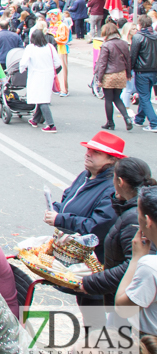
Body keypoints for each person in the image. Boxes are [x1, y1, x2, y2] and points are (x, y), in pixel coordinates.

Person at [80, 158, 156, 320]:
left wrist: (91, 283)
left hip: (133, 316)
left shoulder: (134, 218)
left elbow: (124, 308)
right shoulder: (132, 209)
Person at [47, 131, 121, 267]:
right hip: (69, 251)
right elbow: (68, 197)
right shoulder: (85, 175)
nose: (88, 154)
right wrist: (56, 208)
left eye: (96, 152)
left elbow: (97, 227)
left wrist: (61, 219)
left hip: (91, 259)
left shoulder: (111, 188)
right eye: (88, 149)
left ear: (112, 159)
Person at [116, 185, 157, 336]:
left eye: (137, 213)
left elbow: (123, 309)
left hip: (149, 345)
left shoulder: (150, 266)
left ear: (148, 221)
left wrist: (136, 259)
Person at [21, 29, 61, 132]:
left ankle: (51, 125)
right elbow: (57, 63)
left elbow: (23, 63)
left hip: (36, 75)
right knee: (42, 97)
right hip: (48, 75)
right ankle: (35, 120)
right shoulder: (50, 47)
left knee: (42, 100)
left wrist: (22, 69)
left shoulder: (30, 48)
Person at [97, 23, 134, 131]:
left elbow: (102, 63)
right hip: (121, 73)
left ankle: (110, 123)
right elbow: (128, 60)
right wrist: (128, 73)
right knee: (117, 98)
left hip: (109, 74)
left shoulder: (106, 45)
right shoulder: (124, 43)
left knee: (108, 99)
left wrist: (99, 78)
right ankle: (127, 118)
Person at [132, 19, 157, 131]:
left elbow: (133, 55)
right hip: (154, 70)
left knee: (144, 97)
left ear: (140, 24)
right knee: (145, 96)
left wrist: (129, 70)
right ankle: (139, 119)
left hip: (142, 70)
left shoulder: (138, 37)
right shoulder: (155, 35)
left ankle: (154, 123)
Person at [50, 10, 71, 96]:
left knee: (62, 70)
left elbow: (63, 38)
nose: (53, 18)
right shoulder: (51, 26)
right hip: (53, 49)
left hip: (61, 49)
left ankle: (63, 89)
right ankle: (57, 88)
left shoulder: (63, 26)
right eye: (52, 16)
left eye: (55, 16)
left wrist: (53, 39)